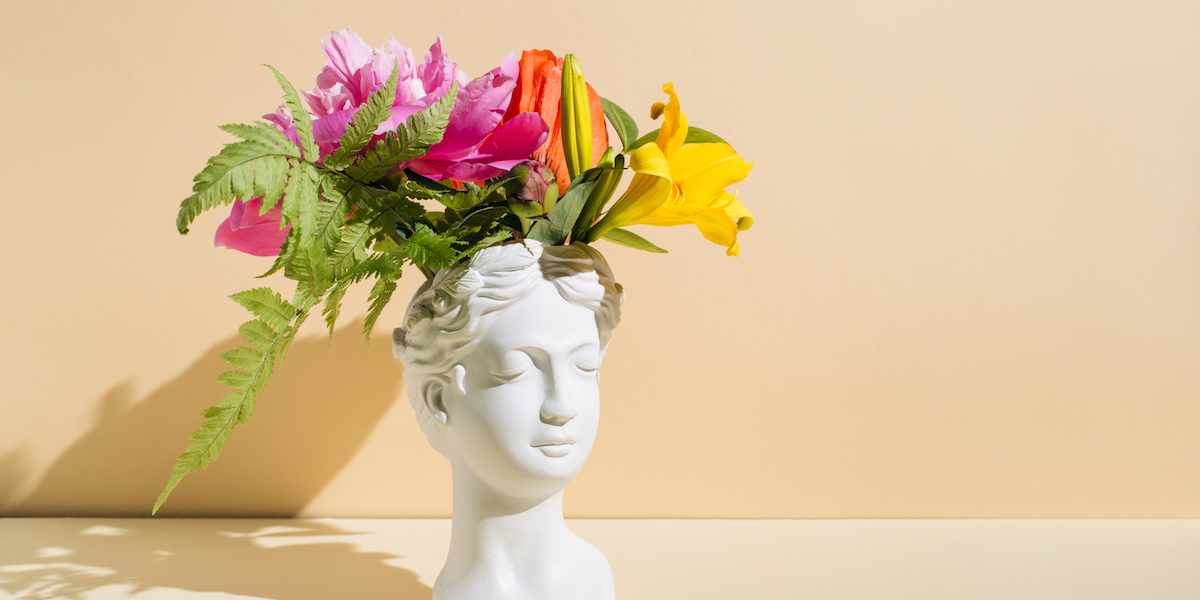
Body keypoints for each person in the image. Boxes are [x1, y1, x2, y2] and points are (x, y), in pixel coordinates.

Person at [394, 239, 623, 600]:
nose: (562, 406)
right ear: (439, 396)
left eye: (585, 365)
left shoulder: (592, 576)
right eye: (517, 369)